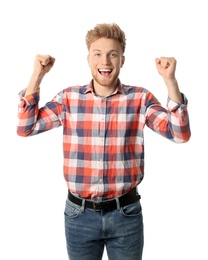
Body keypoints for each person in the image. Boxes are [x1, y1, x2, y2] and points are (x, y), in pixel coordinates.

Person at [17, 23, 191, 260]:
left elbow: (179, 134)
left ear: (122, 60)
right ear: (88, 59)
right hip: (79, 216)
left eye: (113, 55)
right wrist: (37, 75)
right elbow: (26, 128)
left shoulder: (139, 98)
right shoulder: (69, 98)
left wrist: (170, 80)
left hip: (126, 215)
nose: (105, 61)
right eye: (98, 54)